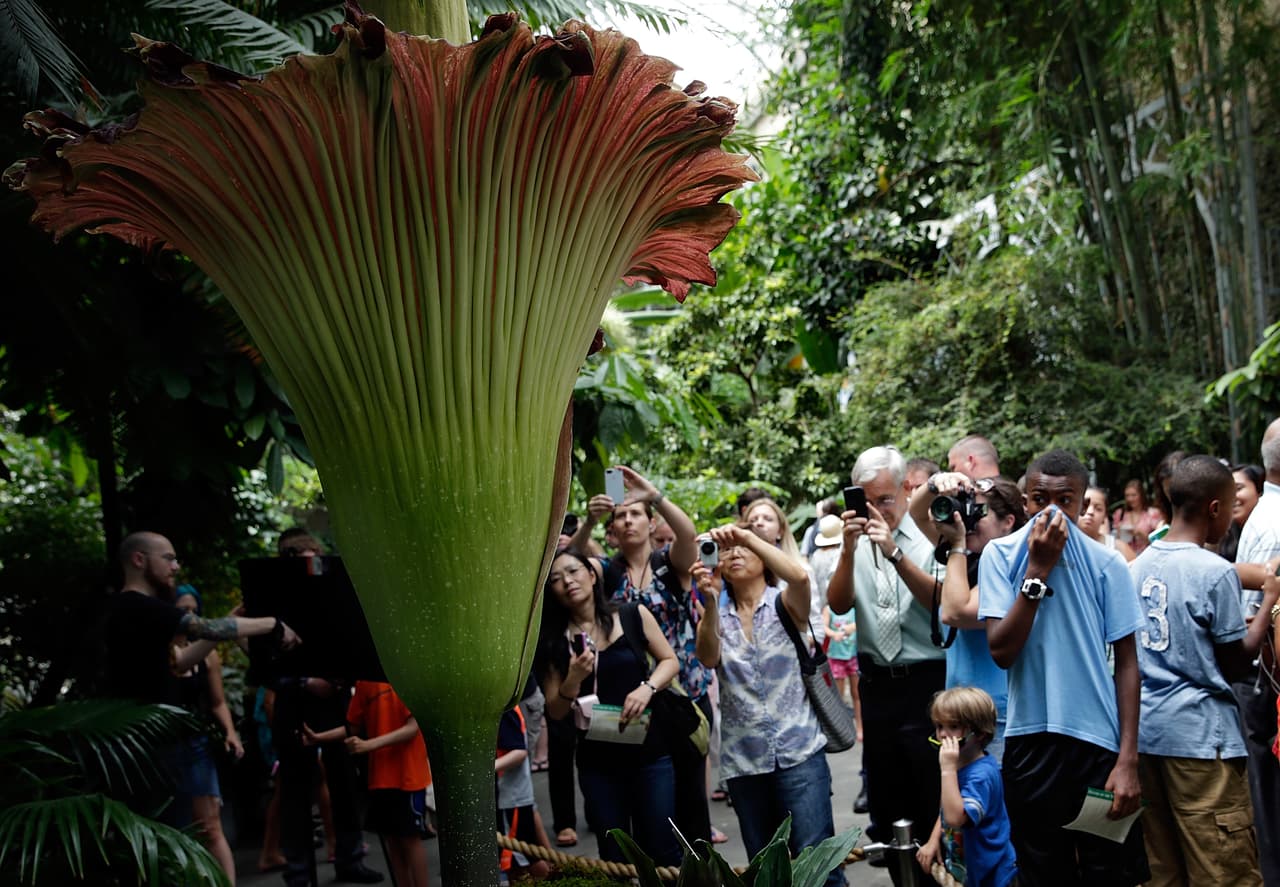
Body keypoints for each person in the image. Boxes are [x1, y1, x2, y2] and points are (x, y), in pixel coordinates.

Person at [979, 449, 1149, 885]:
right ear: (1024, 500)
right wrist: (1038, 570)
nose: (1052, 511)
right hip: (1030, 744)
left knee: (1108, 872)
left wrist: (1127, 759)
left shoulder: (1108, 562)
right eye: (1039, 498)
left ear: (1081, 503)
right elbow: (1002, 651)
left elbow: (1127, 664)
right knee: (1042, 872)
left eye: (1065, 500)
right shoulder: (1001, 556)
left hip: (1097, 748)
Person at [1128, 455, 1278, 886]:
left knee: (1165, 867)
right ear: (1215, 509)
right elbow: (1235, 661)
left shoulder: (1138, 565)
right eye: (1230, 508)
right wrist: (1268, 601)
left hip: (1150, 737)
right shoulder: (1213, 571)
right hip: (1201, 742)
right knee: (1222, 867)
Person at [692, 524, 844, 887]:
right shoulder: (718, 615)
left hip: (800, 752)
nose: (735, 554)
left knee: (819, 864)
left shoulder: (783, 602)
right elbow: (708, 657)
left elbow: (800, 578)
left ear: (764, 556)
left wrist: (744, 535)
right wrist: (710, 602)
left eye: (744, 549)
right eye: (725, 551)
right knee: (763, 868)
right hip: (745, 762)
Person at [572, 466, 713, 846]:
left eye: (636, 514)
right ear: (613, 531)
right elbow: (569, 563)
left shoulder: (669, 564)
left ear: (651, 523)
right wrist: (589, 522)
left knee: (690, 802)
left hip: (683, 697)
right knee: (650, 808)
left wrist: (655, 496)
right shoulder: (607, 572)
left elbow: (688, 535)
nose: (628, 520)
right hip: (634, 706)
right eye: (621, 515)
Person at [826, 445, 945, 872]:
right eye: (866, 500)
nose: (876, 509)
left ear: (904, 490)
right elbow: (838, 605)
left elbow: (940, 602)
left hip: (926, 682)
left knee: (932, 793)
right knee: (889, 803)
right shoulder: (851, 543)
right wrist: (846, 549)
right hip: (877, 684)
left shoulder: (930, 536)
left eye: (885, 499)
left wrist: (895, 552)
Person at [537, 548, 682, 866]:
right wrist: (573, 678)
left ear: (591, 575)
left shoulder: (631, 614)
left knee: (662, 848)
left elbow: (670, 661)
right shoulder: (551, 641)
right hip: (598, 763)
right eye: (557, 579)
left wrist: (647, 689)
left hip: (650, 754)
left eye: (573, 571)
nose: (567, 581)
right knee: (614, 855)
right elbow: (556, 711)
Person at [271, 529, 383, 885]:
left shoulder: (334, 592)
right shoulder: (272, 599)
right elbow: (265, 665)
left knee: (345, 787)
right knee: (295, 792)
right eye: (302, 556)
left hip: (335, 702)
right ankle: (300, 872)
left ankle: (350, 859)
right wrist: (305, 683)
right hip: (293, 703)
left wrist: (339, 679)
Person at [910, 472, 1026, 763]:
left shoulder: (1013, 567)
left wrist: (958, 545)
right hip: (960, 711)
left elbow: (955, 611)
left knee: (990, 800)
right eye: (968, 508)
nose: (970, 518)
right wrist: (937, 483)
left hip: (993, 716)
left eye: (980, 511)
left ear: (1008, 522)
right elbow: (916, 512)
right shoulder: (968, 558)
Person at [305, 681, 431, 887]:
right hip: (380, 777)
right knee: (393, 840)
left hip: (409, 775)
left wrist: (370, 744)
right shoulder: (364, 683)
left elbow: (413, 728)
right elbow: (353, 727)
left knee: (410, 839)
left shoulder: (404, 676)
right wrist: (318, 737)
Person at [1232, 417, 1280, 885]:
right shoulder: (1273, 521)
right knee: (1267, 783)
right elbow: (1254, 610)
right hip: (1265, 674)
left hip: (1264, 672)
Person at [172, 585, 243, 883]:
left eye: (193, 609)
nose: (189, 615)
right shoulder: (161, 648)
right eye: (181, 610)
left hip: (196, 741)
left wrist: (231, 732)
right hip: (163, 742)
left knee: (211, 825)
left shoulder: (205, 655)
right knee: (178, 826)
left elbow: (217, 701)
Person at [916, 687, 1018, 887]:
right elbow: (947, 806)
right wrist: (933, 839)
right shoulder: (959, 765)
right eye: (939, 726)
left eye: (953, 726)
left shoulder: (980, 776)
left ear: (979, 733)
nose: (943, 735)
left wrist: (947, 770)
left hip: (993, 875)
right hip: (968, 871)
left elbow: (955, 818)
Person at [495, 706, 552, 881]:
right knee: (520, 862)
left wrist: (484, 770)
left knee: (524, 862)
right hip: (512, 798)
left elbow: (519, 751)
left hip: (511, 799)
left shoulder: (504, 709)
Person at [1218, 464, 1264, 562]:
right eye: (1228, 491)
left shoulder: (1270, 531)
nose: (1231, 496)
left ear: (1260, 490)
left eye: (1238, 488)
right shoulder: (1223, 536)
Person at [1078, 486, 1136, 562]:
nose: (1090, 512)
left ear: (1104, 516)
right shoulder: (1062, 544)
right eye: (1084, 506)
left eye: (1098, 509)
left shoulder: (1119, 549)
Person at [1112, 480, 1161, 555]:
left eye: (1133, 495)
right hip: (1125, 556)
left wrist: (1140, 533)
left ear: (1141, 495)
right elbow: (1114, 541)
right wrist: (1118, 533)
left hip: (1147, 556)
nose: (1130, 499)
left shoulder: (1152, 514)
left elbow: (1159, 541)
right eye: (1127, 495)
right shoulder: (1120, 514)